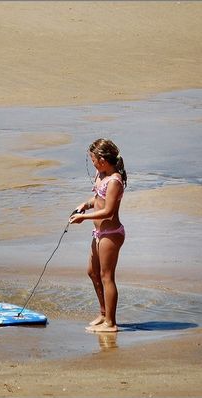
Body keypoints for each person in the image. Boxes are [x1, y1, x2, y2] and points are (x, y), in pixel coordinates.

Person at [69, 138, 127, 333]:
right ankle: (103, 313)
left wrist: (83, 218)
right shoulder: (100, 175)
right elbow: (97, 199)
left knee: (106, 276)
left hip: (111, 234)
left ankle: (111, 322)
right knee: (92, 272)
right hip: (99, 232)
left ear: (102, 160)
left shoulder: (114, 181)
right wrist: (85, 205)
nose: (92, 163)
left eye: (93, 159)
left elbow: (108, 211)